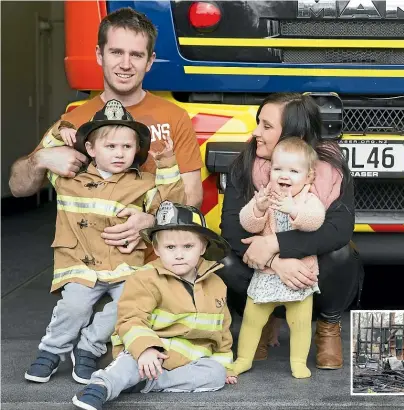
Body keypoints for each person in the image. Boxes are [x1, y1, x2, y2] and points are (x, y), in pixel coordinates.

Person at [9, 7, 203, 257]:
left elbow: (193, 196)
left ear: (150, 61)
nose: (125, 64)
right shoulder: (73, 120)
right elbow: (17, 187)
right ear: (99, 55)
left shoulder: (174, 117)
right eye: (116, 52)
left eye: (136, 55)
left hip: (159, 265)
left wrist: (151, 222)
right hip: (90, 271)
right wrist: (41, 159)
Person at [24, 100, 186, 385]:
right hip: (78, 263)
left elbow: (172, 207)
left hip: (124, 265)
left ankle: (89, 347)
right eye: (110, 146)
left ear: (137, 150)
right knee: (73, 306)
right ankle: (52, 350)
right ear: (90, 149)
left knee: (129, 305)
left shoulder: (144, 182)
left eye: (127, 146)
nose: (120, 153)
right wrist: (61, 132)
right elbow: (42, 153)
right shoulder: (68, 177)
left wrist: (168, 162)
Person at [219, 93, 364, 370]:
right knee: (223, 259)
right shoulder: (245, 164)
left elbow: (339, 230)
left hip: (309, 273)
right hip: (261, 272)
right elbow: (231, 229)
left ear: (293, 133)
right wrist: (275, 263)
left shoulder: (329, 170)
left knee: (342, 254)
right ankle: (263, 319)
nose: (255, 132)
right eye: (258, 123)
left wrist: (276, 245)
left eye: (266, 126)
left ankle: (329, 325)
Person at [71, 202, 236, 410]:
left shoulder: (216, 284)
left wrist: (226, 365)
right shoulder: (145, 278)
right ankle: (102, 385)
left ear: (203, 247)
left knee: (215, 374)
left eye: (188, 246)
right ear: (156, 249)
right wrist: (146, 349)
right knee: (129, 364)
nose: (179, 254)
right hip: (150, 351)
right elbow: (131, 318)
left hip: (191, 358)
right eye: (170, 247)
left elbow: (223, 330)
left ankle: (150, 382)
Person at [233, 138, 326, 379]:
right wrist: (259, 208)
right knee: (252, 320)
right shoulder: (266, 196)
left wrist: (293, 209)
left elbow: (314, 220)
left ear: (309, 177)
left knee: (301, 324)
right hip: (267, 274)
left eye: (294, 171)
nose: (284, 175)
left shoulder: (308, 199)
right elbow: (247, 223)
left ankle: (298, 362)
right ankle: (243, 359)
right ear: (270, 171)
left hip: (299, 276)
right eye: (278, 169)